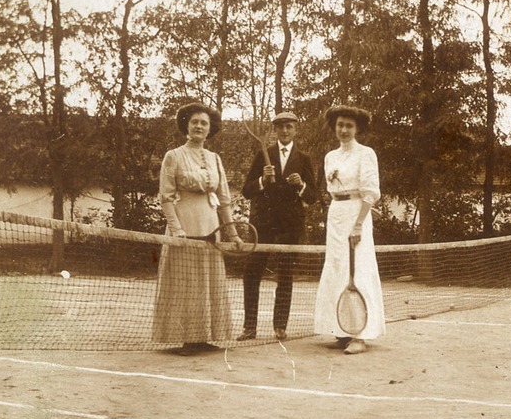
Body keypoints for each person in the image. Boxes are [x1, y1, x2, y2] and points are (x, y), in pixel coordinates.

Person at [152, 101, 240, 354]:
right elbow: (166, 197)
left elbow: (224, 200)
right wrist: (176, 229)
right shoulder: (173, 156)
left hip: (211, 227)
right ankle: (187, 339)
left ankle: (204, 337)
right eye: (195, 122)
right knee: (186, 283)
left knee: (208, 282)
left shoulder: (215, 158)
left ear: (210, 128)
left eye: (204, 123)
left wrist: (232, 232)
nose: (199, 126)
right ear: (186, 126)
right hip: (184, 226)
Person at [239, 110, 318, 341]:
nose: (285, 130)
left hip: (290, 227)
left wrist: (301, 185)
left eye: (289, 126)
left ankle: (280, 326)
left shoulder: (304, 159)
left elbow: (312, 196)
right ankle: (249, 327)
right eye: (280, 126)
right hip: (262, 225)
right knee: (252, 273)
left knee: (285, 275)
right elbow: (246, 190)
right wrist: (262, 180)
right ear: (274, 130)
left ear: (296, 129)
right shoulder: (262, 155)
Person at [314, 105, 385, 354]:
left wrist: (358, 224)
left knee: (358, 270)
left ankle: (360, 334)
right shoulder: (330, 157)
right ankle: (342, 329)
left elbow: (370, 193)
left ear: (357, 129)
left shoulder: (366, 154)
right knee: (337, 268)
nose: (343, 130)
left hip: (357, 215)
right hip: (336, 215)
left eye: (349, 126)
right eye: (340, 125)